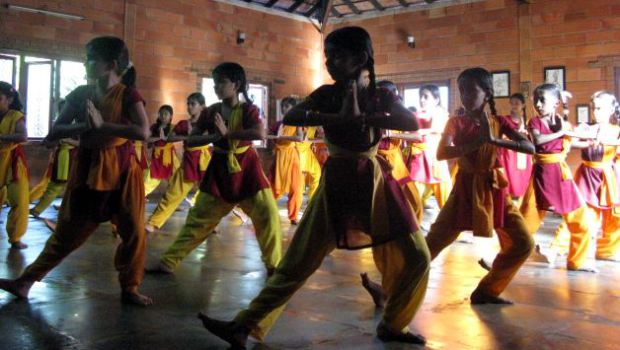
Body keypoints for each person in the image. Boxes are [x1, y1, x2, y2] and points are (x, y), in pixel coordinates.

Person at [197, 26, 431, 348]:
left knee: (417, 256)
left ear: (361, 58)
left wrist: (365, 118)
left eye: (338, 55)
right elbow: (292, 114)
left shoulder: (380, 95)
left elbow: (411, 123)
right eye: (327, 56)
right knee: (297, 262)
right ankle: (244, 325)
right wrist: (335, 118)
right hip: (336, 183)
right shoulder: (327, 93)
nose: (330, 62)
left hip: (376, 184)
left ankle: (393, 323)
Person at [0, 36, 152, 305]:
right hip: (87, 170)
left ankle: (130, 287)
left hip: (123, 171)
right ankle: (25, 281)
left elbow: (143, 132)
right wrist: (84, 126)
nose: (86, 63)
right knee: (66, 234)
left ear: (111, 64)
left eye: (91, 59)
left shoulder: (129, 94)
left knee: (135, 234)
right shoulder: (82, 94)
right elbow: (57, 129)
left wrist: (103, 125)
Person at [146, 62, 282, 276]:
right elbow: (192, 139)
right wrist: (213, 137)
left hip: (247, 169)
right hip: (219, 170)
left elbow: (260, 134)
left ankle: (274, 267)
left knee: (269, 214)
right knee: (197, 220)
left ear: (236, 84)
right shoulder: (211, 112)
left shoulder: (248, 109)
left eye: (221, 82)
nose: (216, 87)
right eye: (215, 82)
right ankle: (167, 263)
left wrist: (228, 134)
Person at [423, 68, 534, 304]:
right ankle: (389, 288)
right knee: (432, 243)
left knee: (523, 243)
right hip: (465, 187)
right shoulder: (456, 121)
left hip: (494, 187)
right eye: (461, 91)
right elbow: (442, 152)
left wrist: (494, 140)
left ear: (487, 93)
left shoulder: (498, 122)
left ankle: (487, 291)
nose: (465, 96)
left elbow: (529, 147)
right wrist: (473, 145)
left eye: (471, 91)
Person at [519, 84, 597, 272]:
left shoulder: (562, 123)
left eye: (542, 100)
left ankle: (576, 262)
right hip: (542, 175)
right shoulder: (534, 122)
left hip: (560, 175)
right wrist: (563, 132)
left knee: (581, 220)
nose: (537, 104)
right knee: (524, 223)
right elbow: (538, 141)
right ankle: (504, 258)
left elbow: (568, 142)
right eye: (535, 99)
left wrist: (589, 142)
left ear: (555, 103)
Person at [552, 91, 620, 263]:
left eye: (600, 108)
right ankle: (558, 247)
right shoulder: (585, 128)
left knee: (615, 216)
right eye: (594, 108)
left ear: (612, 110)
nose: (596, 112)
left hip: (608, 176)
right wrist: (565, 107)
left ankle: (607, 250)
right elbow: (566, 136)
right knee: (579, 213)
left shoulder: (617, 131)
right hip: (587, 176)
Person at [145, 93, 211, 232]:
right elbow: (170, 138)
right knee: (172, 193)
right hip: (189, 161)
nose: (189, 107)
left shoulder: (208, 123)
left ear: (202, 106)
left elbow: (217, 136)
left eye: (193, 104)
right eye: (188, 103)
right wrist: (187, 136)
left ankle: (209, 224)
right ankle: (153, 222)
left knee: (212, 194)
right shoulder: (183, 124)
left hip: (205, 160)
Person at [0, 81, 29, 249]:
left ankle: (15, 237)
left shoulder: (15, 116)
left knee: (19, 200)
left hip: (12, 163)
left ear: (9, 100)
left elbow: (23, 136)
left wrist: (2, 137)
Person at [269, 97, 304, 224]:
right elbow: (271, 136)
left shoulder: (297, 123)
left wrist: (283, 136)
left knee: (296, 187)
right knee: (272, 187)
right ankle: (265, 212)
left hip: (292, 156)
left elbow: (300, 138)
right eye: (283, 106)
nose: (284, 109)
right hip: (279, 157)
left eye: (287, 106)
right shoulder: (279, 124)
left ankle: (293, 216)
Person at [143, 105, 180, 196]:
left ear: (171, 116)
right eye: (161, 114)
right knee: (151, 178)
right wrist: (158, 138)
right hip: (158, 156)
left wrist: (166, 138)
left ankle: (173, 200)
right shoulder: (154, 127)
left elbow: (178, 138)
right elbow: (147, 139)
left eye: (166, 114)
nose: (163, 116)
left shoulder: (173, 127)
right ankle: (141, 195)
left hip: (170, 156)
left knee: (176, 178)